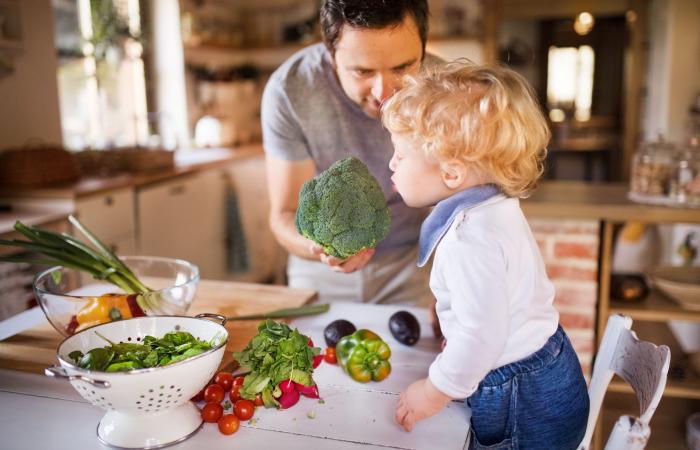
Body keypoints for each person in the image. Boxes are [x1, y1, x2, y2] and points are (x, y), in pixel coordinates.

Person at [383, 60, 590, 449]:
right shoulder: (494, 207)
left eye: (401, 154)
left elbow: (482, 335)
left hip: (521, 400)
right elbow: (495, 305)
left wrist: (433, 391)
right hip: (548, 371)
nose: (392, 163)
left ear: (452, 174)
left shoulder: (467, 238)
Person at [261, 0, 437, 307]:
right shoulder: (290, 90)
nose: (384, 93)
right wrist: (322, 248)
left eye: (402, 67)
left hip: (415, 262)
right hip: (319, 272)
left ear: (423, 48)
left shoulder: (445, 91)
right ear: (330, 54)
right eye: (362, 71)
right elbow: (284, 213)